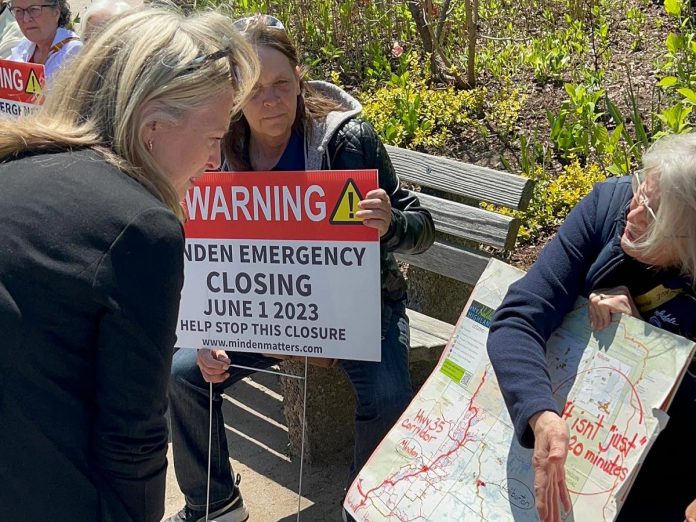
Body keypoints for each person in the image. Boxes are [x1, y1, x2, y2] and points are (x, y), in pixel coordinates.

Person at [167, 14, 435, 522]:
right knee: (184, 374)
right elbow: (201, 249)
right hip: (260, 311)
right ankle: (214, 502)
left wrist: (390, 223)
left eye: (282, 85)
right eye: (256, 88)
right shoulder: (216, 147)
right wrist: (205, 328)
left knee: (386, 393)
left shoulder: (346, 139)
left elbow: (422, 224)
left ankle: (366, 508)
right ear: (235, 91)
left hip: (357, 310)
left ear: (299, 80)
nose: (270, 101)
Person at [0, 6, 257, 522]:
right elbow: (132, 439)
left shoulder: (14, 166)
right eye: (212, 138)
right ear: (152, 126)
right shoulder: (143, 228)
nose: (215, 162)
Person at [487, 133, 696, 522]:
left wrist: (642, 339)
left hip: (670, 461)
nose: (632, 216)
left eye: (653, 217)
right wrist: (541, 415)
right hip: (581, 438)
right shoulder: (608, 206)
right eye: (641, 194)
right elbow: (517, 318)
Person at [6, 0, 82, 80]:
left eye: (34, 9)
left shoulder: (73, 51)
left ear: (56, 13)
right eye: (18, 11)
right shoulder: (24, 47)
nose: (26, 19)